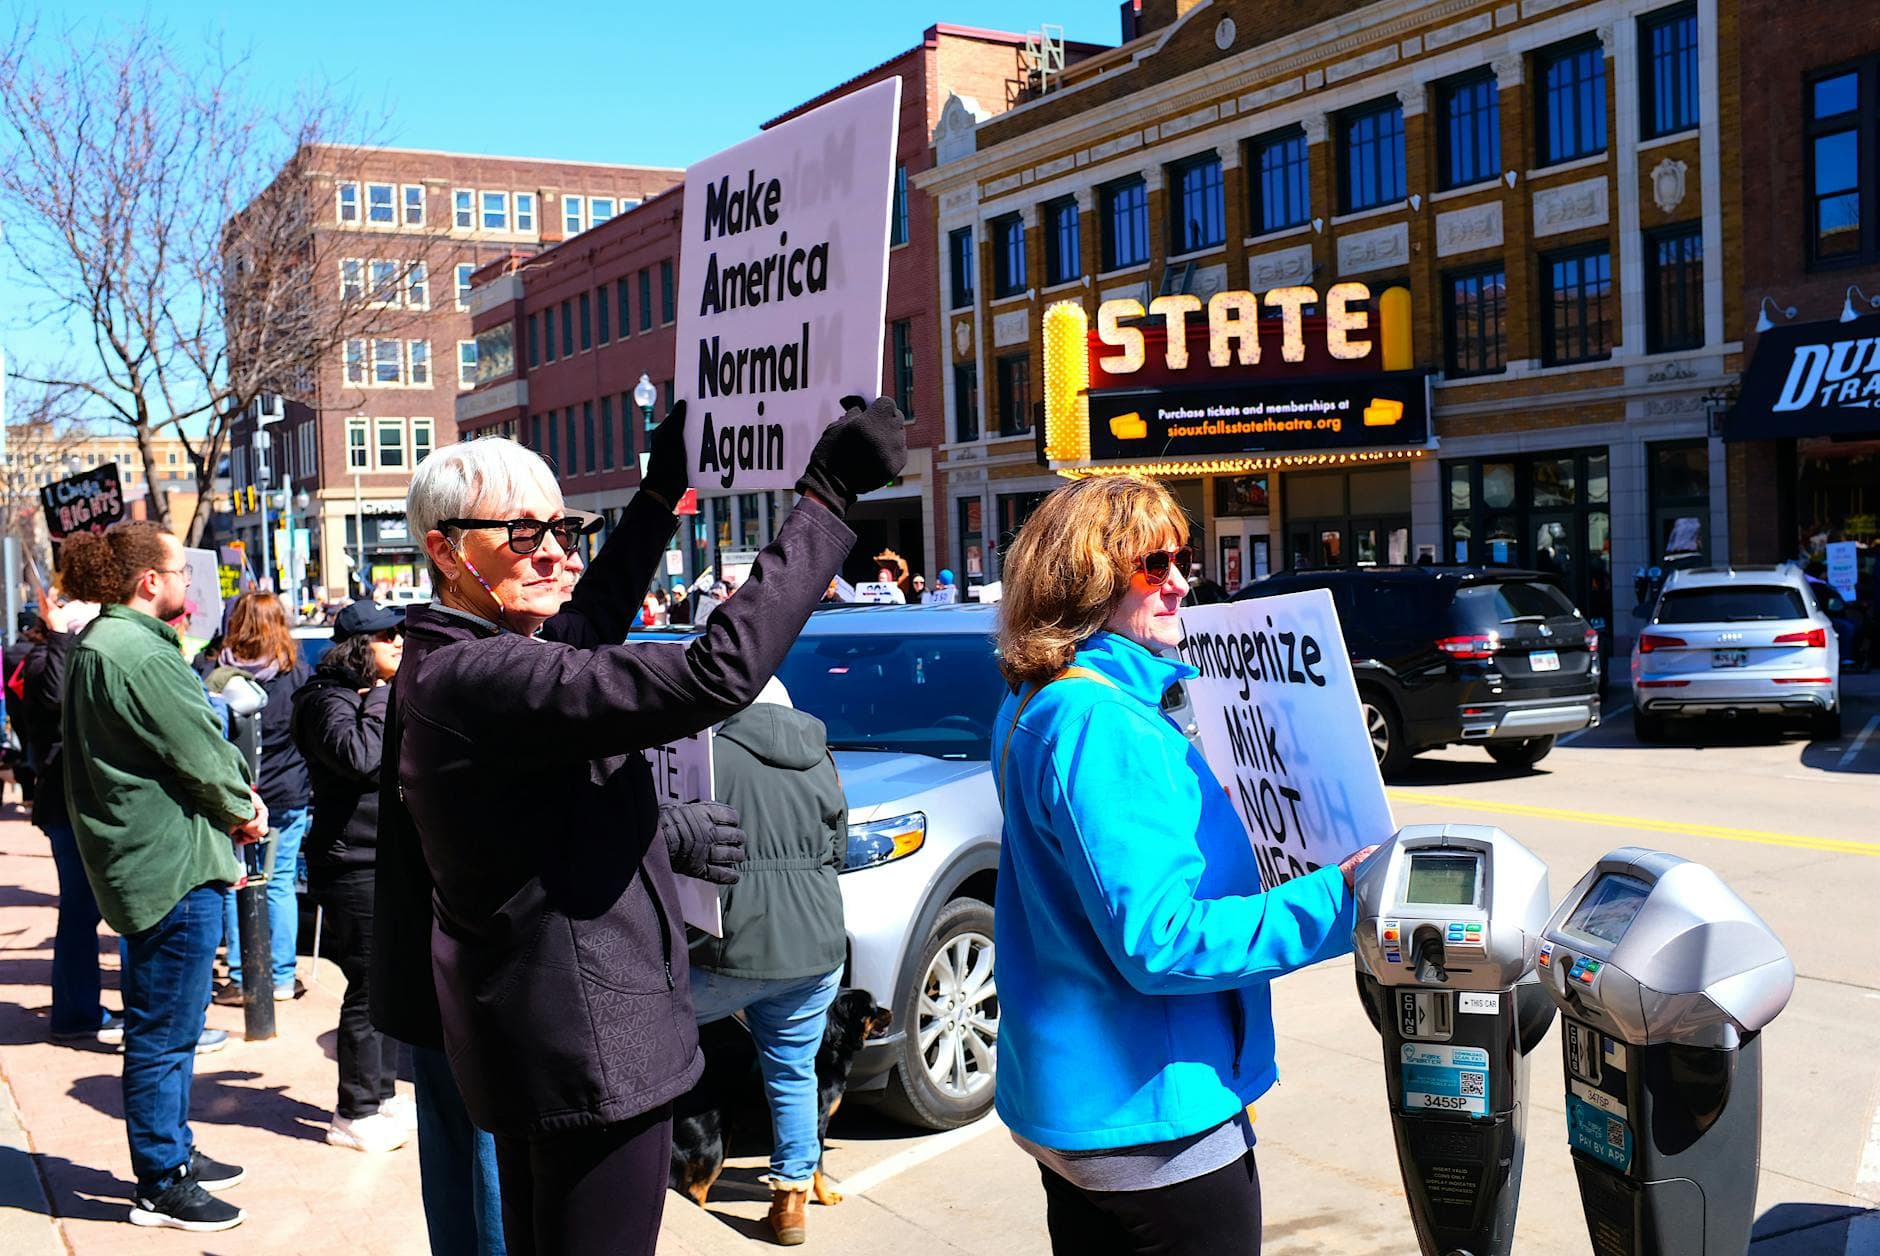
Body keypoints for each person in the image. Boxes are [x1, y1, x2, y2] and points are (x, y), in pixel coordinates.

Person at [382, 396, 906, 1255]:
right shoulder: (473, 674)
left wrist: (660, 496)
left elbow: (586, 633)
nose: (553, 551)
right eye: (519, 534)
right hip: (589, 1048)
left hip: (548, 1039)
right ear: (444, 550)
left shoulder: (461, 656)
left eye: (561, 528)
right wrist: (826, 497)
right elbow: (715, 673)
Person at [990, 476, 1378, 1255]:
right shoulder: (1100, 719)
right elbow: (1160, 941)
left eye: (1181, 559)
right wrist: (1337, 900)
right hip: (1151, 1119)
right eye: (1151, 565)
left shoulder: (1047, 695)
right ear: (1087, 578)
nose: (1177, 582)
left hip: (1093, 1108)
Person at [58, 521, 265, 1232]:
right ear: (151, 582)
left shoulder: (108, 644)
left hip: (155, 859)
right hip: (170, 866)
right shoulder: (136, 653)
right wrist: (245, 811)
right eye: (180, 572)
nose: (188, 584)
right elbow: (201, 752)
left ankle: (172, 1152)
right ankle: (161, 1180)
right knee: (163, 1033)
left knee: (169, 1026)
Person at [688, 677, 847, 1245]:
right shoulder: (822, 757)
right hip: (817, 947)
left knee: (652, 1035)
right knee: (792, 1074)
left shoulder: (708, 755)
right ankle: (789, 1205)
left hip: (729, 948)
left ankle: (638, 1167)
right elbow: (838, 849)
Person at [290, 600, 412, 1154]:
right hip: (350, 863)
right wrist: (384, 693)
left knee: (387, 982)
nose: (399, 644)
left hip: (381, 856)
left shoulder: (362, 698)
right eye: (389, 637)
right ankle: (354, 1110)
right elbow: (361, 757)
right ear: (362, 646)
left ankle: (380, 1095)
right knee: (366, 986)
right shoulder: (324, 700)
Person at [18, 601, 119, 1045]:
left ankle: (78, 1010)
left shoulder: (53, 659)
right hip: (69, 805)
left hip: (74, 803)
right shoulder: (47, 661)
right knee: (82, 911)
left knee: (82, 912)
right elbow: (56, 697)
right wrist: (61, 637)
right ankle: (77, 1013)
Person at [211, 593, 312, 1005]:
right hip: (286, 791)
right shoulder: (296, 675)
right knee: (279, 882)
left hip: (239, 794)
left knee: (240, 882)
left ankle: (243, 974)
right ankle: (282, 975)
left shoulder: (219, 677)